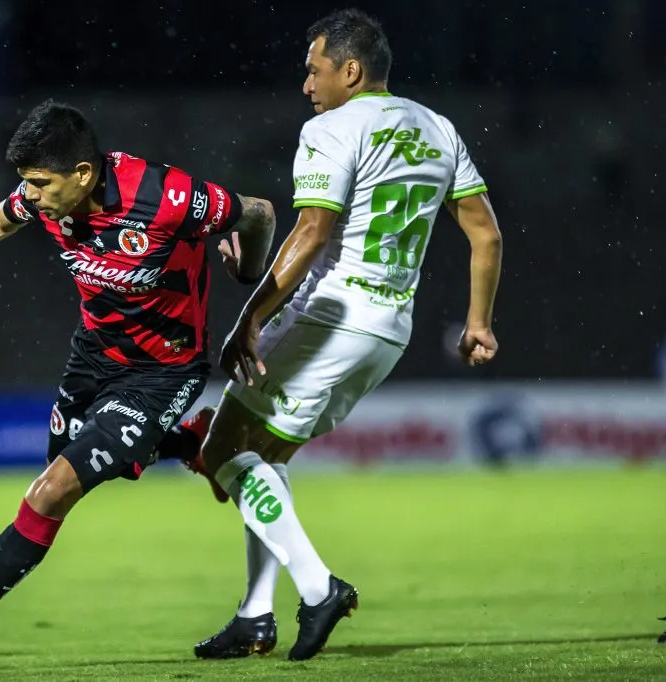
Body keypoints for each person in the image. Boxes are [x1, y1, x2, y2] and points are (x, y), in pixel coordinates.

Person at [0, 99, 277, 674]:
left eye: (39, 183)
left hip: (163, 371)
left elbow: (258, 212)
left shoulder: (169, 197)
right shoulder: (44, 198)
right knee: (60, 471)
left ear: (83, 175)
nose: (29, 195)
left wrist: (249, 275)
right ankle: (187, 445)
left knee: (48, 492)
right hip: (93, 358)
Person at [180, 9, 503, 662]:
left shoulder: (332, 127)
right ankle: (254, 617)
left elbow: (311, 232)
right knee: (264, 458)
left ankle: (319, 586)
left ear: (349, 71)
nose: (306, 83)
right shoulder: (438, 127)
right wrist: (477, 322)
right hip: (389, 329)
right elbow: (485, 233)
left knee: (219, 454)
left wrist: (252, 317)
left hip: (329, 316)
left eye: (313, 68)